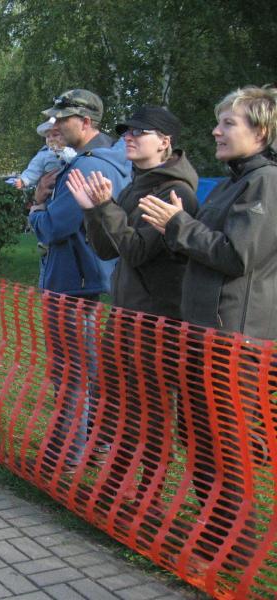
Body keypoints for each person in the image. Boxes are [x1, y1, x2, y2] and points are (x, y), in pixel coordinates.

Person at [140, 85, 277, 569]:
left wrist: (178, 225)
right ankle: (216, 535)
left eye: (228, 123)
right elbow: (206, 246)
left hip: (233, 342)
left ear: (261, 131)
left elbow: (236, 255)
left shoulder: (266, 183)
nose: (216, 131)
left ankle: (234, 553)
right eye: (218, 122)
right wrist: (174, 230)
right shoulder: (233, 183)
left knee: (224, 449)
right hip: (204, 336)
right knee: (200, 442)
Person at [66, 106, 199, 510]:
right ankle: (114, 491)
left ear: (164, 141)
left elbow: (138, 251)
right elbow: (109, 249)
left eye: (140, 132)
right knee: (119, 408)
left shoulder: (176, 192)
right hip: (126, 314)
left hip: (157, 321)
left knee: (152, 415)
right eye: (126, 131)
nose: (129, 136)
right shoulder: (137, 186)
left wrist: (106, 207)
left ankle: (147, 499)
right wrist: (93, 209)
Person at [29, 89, 131, 474]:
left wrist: (37, 207)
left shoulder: (87, 167)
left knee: (70, 373)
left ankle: (66, 456)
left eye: (62, 118)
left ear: (86, 122)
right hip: (86, 276)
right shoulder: (105, 160)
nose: (55, 125)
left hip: (73, 280)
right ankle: (97, 441)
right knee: (86, 369)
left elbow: (55, 226)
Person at [13, 119, 77, 189]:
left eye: (55, 135)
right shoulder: (44, 154)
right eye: (48, 136)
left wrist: (61, 150)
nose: (51, 139)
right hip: (54, 188)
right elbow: (34, 169)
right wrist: (23, 180)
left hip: (73, 186)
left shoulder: (72, 149)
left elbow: (75, 159)